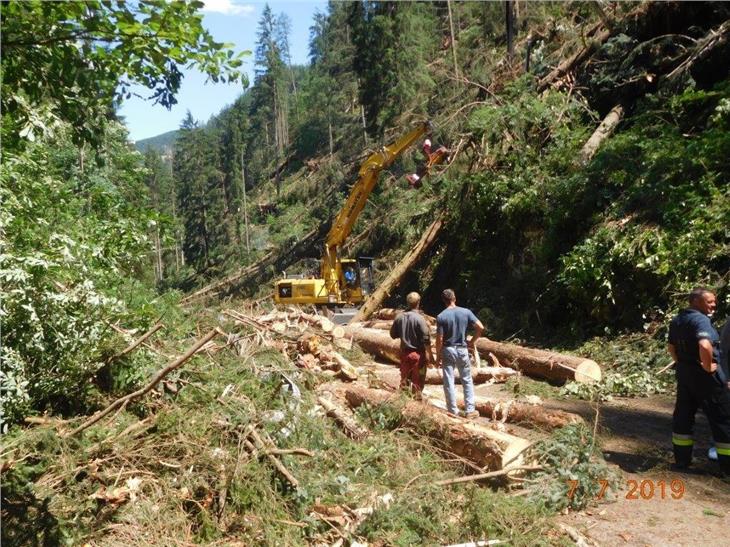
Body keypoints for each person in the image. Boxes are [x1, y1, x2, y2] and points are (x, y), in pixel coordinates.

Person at [668, 287, 730, 475]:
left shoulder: (678, 320)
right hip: (706, 379)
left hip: (685, 376)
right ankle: (727, 468)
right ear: (696, 301)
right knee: (722, 419)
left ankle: (682, 461)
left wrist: (681, 363)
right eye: (709, 301)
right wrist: (707, 365)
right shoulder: (701, 320)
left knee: (683, 417)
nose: (714, 305)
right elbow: (704, 344)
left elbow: (671, 347)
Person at [435, 289, 484, 418]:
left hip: (448, 349)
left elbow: (439, 338)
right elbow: (480, 327)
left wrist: (437, 355)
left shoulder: (441, 316)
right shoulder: (466, 312)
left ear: (443, 301)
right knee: (467, 379)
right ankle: (470, 410)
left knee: (449, 381)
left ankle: (452, 410)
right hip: (462, 349)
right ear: (454, 298)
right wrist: (472, 341)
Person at [389, 292, 432, 396]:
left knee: (405, 381)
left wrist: (404, 333)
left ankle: (404, 404)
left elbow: (393, 334)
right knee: (418, 383)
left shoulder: (399, 317)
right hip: (418, 355)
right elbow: (426, 338)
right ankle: (416, 405)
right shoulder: (420, 318)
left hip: (404, 354)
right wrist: (430, 355)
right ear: (418, 302)